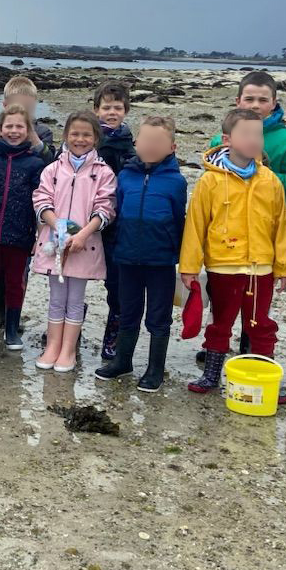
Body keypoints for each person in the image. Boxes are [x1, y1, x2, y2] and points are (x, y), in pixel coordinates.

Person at [180, 108, 286, 394]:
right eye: (246, 134)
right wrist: (189, 266)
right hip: (223, 267)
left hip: (262, 269)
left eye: (258, 135)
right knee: (220, 323)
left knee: (261, 325)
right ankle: (211, 375)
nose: (253, 140)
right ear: (227, 139)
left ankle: (261, 378)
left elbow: (281, 225)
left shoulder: (270, 181)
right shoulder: (210, 181)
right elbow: (196, 224)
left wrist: (284, 267)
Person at [93, 115, 188, 391]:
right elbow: (117, 212)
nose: (151, 146)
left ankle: (155, 369)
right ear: (136, 143)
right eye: (146, 140)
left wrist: (181, 256)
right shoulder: (125, 175)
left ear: (172, 146)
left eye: (158, 142)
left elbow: (180, 220)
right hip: (126, 257)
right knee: (128, 310)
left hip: (160, 260)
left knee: (158, 317)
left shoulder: (176, 181)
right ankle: (123, 361)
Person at [31, 111, 116, 373]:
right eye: (75, 134)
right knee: (56, 298)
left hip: (84, 244)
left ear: (96, 138)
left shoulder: (103, 172)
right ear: (66, 135)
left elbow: (106, 207)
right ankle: (52, 346)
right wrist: (57, 225)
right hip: (53, 243)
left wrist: (82, 235)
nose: (80, 139)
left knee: (76, 299)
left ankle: (68, 350)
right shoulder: (52, 169)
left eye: (86, 134)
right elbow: (41, 198)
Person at [0, 104, 45, 352]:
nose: (14, 131)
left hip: (20, 235)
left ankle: (11, 329)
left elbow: (40, 201)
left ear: (28, 130)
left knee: (16, 283)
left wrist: (38, 234)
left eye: (19, 127)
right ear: (0, 129)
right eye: (9, 126)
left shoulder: (35, 163)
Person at [207, 70, 286, 204]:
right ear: (238, 101)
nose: (255, 105)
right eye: (249, 99)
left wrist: (257, 173)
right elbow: (208, 182)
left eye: (263, 100)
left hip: (267, 218)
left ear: (273, 103)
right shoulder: (220, 141)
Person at [92, 80, 136, 361]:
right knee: (71, 279)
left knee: (116, 285)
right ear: (96, 109)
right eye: (106, 107)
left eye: (117, 108)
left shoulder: (130, 146)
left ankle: (114, 335)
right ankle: (67, 328)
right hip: (84, 222)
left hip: (116, 226)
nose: (111, 112)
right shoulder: (87, 140)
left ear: (125, 111)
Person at [0, 76, 55, 161]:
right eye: (17, 108)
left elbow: (50, 160)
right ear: (5, 105)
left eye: (27, 108)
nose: (22, 114)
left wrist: (35, 139)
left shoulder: (43, 133)